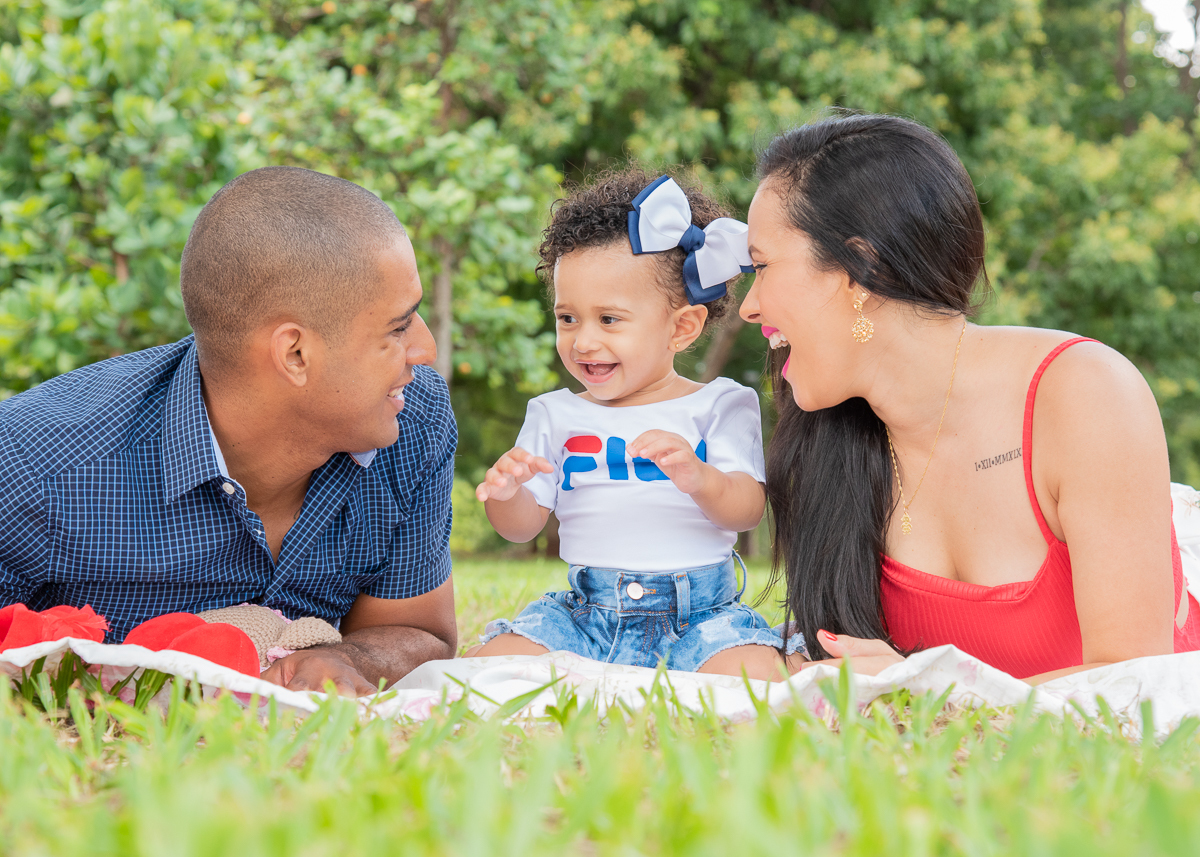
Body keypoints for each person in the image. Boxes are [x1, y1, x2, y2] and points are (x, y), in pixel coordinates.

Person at [739, 113, 1200, 683]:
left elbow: (1135, 681)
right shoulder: (830, 446)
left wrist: (927, 686)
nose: (748, 307)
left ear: (858, 268)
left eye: (761, 267)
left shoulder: (1083, 392)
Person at [0, 166, 458, 696]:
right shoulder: (36, 458)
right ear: (295, 353)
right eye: (399, 328)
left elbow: (420, 631)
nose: (424, 352)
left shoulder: (411, 416)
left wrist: (344, 657)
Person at [466, 169, 800, 678]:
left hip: (700, 617)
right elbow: (522, 528)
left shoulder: (720, 404)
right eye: (567, 318)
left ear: (682, 327)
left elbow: (746, 511)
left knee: (757, 680)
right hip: (586, 617)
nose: (582, 342)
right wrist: (508, 494)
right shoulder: (554, 413)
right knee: (488, 671)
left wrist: (699, 477)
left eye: (610, 320)